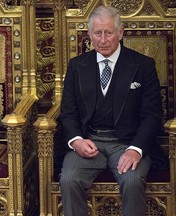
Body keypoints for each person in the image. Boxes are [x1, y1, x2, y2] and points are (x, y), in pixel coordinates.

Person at [58, 5, 164, 216]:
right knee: (69, 179)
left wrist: (136, 149)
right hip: (89, 141)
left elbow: (152, 115)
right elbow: (68, 112)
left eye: (109, 32)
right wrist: (76, 140)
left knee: (132, 180)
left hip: (127, 143)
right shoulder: (77, 66)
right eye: (97, 33)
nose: (103, 39)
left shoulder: (143, 65)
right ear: (89, 34)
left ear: (120, 33)